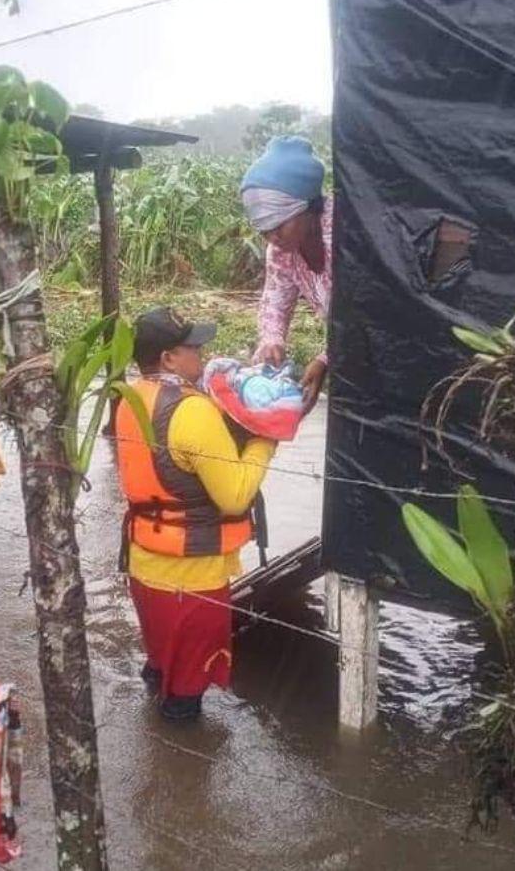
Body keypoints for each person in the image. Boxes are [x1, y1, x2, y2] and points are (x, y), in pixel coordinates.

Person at [115, 306, 277, 722]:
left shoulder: (132, 398)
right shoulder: (192, 410)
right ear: (168, 358)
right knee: (186, 696)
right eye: (193, 348)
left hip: (144, 563)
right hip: (191, 574)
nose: (201, 354)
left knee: (160, 665)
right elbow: (235, 496)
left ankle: (151, 740)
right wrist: (266, 439)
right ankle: (179, 757)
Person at [240, 135, 332, 414]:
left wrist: (325, 360)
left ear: (307, 208)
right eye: (264, 231)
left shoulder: (345, 234)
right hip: (348, 346)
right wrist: (272, 341)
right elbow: (275, 303)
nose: (273, 237)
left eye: (279, 225)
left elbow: (369, 311)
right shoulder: (281, 252)